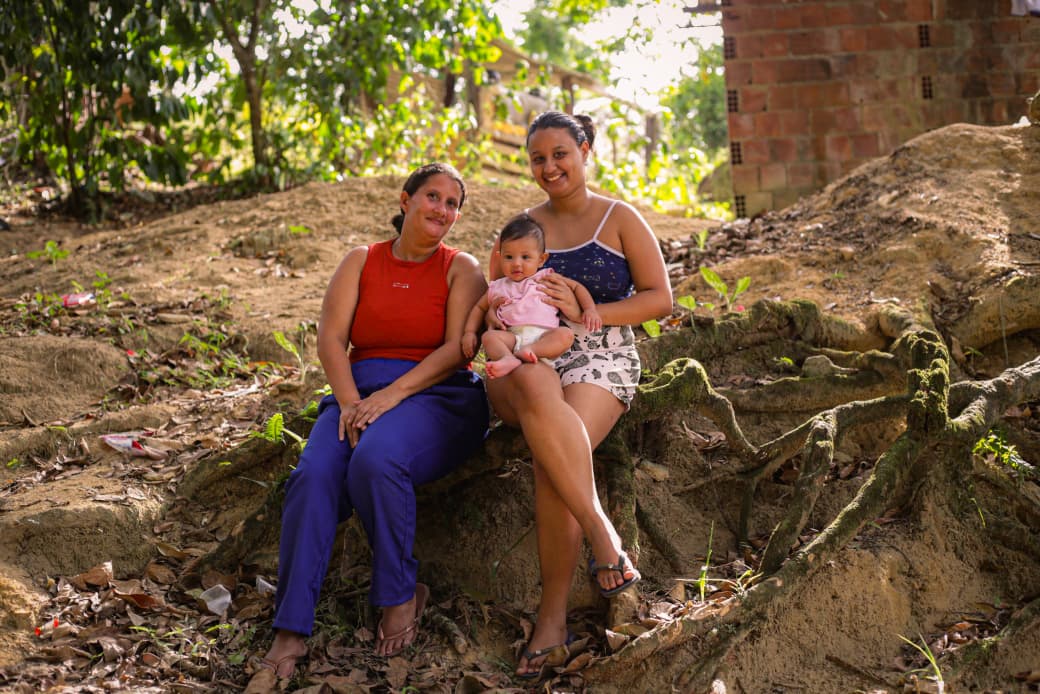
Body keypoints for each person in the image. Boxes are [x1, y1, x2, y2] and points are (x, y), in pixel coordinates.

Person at [247, 163, 489, 689]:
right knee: (313, 476)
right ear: (405, 200)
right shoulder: (361, 260)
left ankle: (401, 591)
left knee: (377, 460)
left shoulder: (460, 268)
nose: (442, 210)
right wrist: (353, 401)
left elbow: (456, 351)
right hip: (354, 394)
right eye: (432, 196)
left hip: (435, 395)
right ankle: (290, 628)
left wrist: (389, 397)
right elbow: (331, 339)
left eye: (453, 203)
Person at [483, 111, 673, 679]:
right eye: (538, 158)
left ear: (585, 150)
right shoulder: (521, 230)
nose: (549, 167)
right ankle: (602, 531)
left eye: (560, 154)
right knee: (546, 417)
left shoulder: (620, 218)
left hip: (601, 353)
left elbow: (660, 299)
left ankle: (552, 619)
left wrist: (586, 315)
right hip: (525, 362)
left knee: (555, 460)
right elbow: (492, 297)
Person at [461, 213, 601, 378]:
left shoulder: (546, 277)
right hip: (511, 337)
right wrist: (469, 332)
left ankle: (528, 352)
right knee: (489, 337)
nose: (517, 263)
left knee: (565, 335)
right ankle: (508, 358)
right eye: (509, 257)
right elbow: (479, 307)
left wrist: (589, 309)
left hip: (543, 337)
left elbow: (577, 287)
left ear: (541, 259)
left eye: (526, 257)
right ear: (499, 258)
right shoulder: (498, 286)